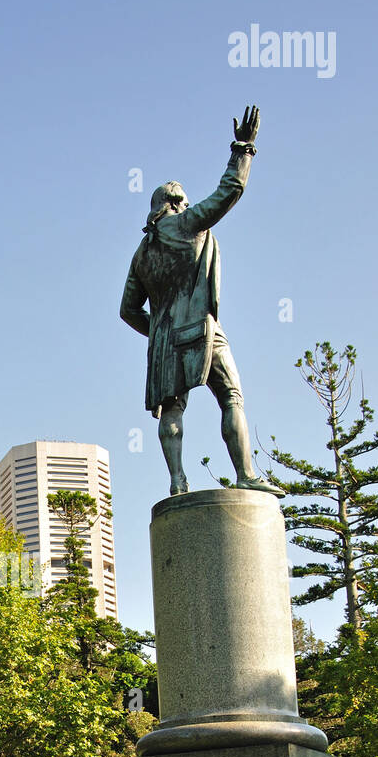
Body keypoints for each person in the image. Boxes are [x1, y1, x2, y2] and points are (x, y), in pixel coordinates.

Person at [120, 105, 282, 497]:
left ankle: (177, 479)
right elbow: (229, 192)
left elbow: (127, 310)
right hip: (199, 329)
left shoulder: (142, 254)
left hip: (163, 343)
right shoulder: (186, 224)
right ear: (176, 204)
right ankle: (245, 473)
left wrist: (157, 332)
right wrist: (243, 148)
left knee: (172, 410)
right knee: (231, 397)